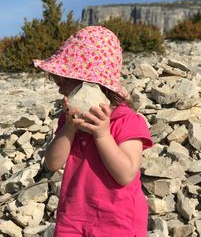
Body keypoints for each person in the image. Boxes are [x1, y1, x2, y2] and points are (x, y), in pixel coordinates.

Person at [34, 26, 153, 237]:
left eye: (64, 80)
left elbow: (125, 174)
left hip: (119, 221)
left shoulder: (127, 121)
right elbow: (52, 163)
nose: (59, 88)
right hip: (73, 218)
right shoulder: (68, 120)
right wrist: (69, 128)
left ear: (93, 85)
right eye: (56, 79)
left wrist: (102, 135)